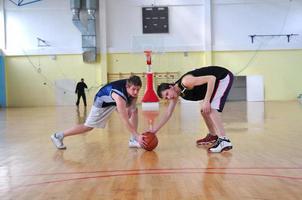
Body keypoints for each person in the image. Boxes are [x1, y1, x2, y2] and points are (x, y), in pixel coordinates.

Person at [153, 66, 234, 153]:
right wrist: (154, 131)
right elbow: (168, 113)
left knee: (210, 108)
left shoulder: (186, 82)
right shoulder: (177, 92)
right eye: (166, 97)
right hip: (216, 81)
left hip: (223, 77)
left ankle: (224, 140)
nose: (169, 97)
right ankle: (213, 136)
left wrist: (206, 101)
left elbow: (211, 78)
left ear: (170, 86)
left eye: (167, 93)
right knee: (204, 111)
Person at [51, 75, 145, 150]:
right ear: (127, 87)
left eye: (138, 89)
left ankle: (133, 140)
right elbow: (125, 121)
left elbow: (132, 107)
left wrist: (130, 110)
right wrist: (138, 135)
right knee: (87, 127)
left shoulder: (132, 88)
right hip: (102, 102)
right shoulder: (119, 97)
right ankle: (58, 136)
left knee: (134, 111)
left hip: (112, 101)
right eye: (134, 89)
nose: (136, 92)